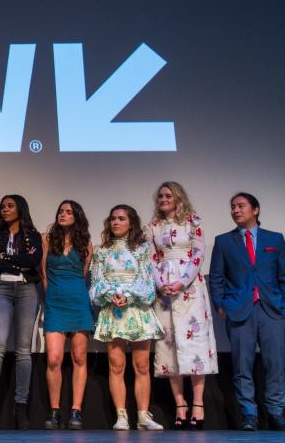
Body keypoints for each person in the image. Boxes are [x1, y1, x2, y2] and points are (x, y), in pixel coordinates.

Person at [144, 182, 217, 430]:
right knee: (169, 345)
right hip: (164, 290)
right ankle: (180, 403)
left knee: (195, 342)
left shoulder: (193, 222)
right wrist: (161, 283)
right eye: (160, 196)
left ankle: (198, 403)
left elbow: (198, 254)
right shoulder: (152, 228)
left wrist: (182, 281)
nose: (163, 199)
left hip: (190, 288)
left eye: (168, 195)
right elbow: (150, 259)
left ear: (178, 197)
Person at [209, 192, 285, 431]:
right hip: (239, 309)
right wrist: (221, 305)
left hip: (272, 309)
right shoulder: (223, 241)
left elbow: (283, 275)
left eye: (241, 206)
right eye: (232, 207)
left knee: (276, 363)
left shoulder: (275, 238)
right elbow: (217, 278)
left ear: (256, 210)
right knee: (243, 365)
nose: (235, 210)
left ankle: (275, 411)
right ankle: (249, 414)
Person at [90, 204, 163, 431]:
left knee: (142, 365)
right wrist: (111, 295)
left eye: (121, 218)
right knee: (116, 365)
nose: (116, 222)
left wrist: (129, 296)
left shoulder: (142, 249)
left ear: (131, 223)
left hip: (137, 311)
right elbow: (95, 285)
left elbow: (149, 284)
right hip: (113, 312)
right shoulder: (102, 251)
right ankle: (121, 416)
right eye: (113, 218)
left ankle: (143, 415)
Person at [0, 195, 42, 430]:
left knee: (24, 349)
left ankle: (21, 407)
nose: (5, 209)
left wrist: (5, 259)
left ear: (20, 210)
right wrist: (18, 263)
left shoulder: (34, 236)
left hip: (27, 288)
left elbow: (34, 259)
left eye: (10, 206)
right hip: (0, 289)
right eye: (3, 206)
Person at [41, 200, 94, 430]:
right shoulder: (47, 238)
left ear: (77, 216)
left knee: (79, 357)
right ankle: (54, 412)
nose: (63, 215)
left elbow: (84, 275)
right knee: (53, 358)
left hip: (78, 302)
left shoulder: (86, 244)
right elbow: (43, 272)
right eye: (61, 211)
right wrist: (51, 295)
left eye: (68, 212)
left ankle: (76, 411)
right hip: (55, 302)